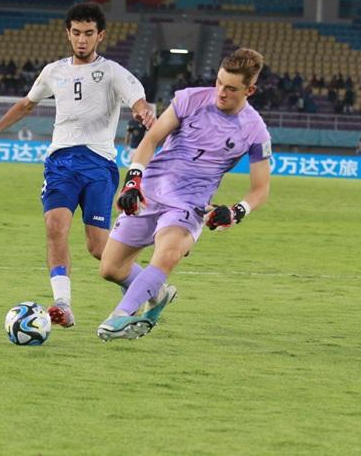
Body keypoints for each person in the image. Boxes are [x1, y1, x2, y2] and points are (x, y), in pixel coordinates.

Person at [0, 2, 155, 328]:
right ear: (68, 34)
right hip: (61, 162)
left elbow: (135, 95)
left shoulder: (111, 71)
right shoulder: (54, 71)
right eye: (77, 33)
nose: (82, 40)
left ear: (101, 36)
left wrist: (142, 110)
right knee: (55, 228)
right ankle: (63, 304)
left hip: (98, 164)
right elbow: (28, 103)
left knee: (99, 248)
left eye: (89, 34)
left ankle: (151, 286)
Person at [96, 48, 272, 341]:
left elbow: (260, 188)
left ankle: (120, 317)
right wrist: (133, 180)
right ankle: (158, 293)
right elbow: (151, 139)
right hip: (150, 191)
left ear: (249, 90)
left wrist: (237, 211)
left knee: (167, 254)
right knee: (111, 268)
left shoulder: (255, 131)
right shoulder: (190, 99)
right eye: (218, 83)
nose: (221, 92)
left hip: (189, 204)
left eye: (231, 89)